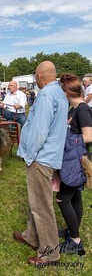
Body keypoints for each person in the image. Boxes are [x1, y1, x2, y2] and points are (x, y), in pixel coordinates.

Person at [15, 61, 68, 266]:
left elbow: (39, 131)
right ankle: (31, 235)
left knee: (42, 207)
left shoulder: (46, 95)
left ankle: (49, 253)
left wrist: (29, 156)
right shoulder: (58, 93)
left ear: (38, 75)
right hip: (49, 156)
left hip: (41, 158)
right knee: (35, 200)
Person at [56, 73, 92, 255]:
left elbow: (88, 136)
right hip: (72, 159)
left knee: (63, 199)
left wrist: (66, 135)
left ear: (67, 92)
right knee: (75, 198)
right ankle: (72, 231)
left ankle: (76, 241)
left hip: (77, 161)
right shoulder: (73, 109)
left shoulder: (83, 110)